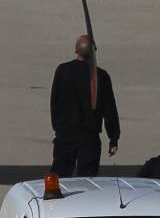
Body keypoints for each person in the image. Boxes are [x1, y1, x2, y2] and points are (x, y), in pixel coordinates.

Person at [49, 35, 121, 177]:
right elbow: (109, 110)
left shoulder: (63, 70)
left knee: (60, 175)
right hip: (89, 136)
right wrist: (113, 137)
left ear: (76, 50)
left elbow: (54, 102)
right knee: (87, 179)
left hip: (65, 134)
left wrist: (58, 128)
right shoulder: (100, 76)